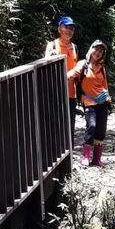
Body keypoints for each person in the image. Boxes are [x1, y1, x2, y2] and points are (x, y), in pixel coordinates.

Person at [69, 40, 111, 167]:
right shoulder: (83, 64)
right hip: (89, 101)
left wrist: (108, 97)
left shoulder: (101, 68)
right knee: (91, 126)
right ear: (91, 49)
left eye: (101, 51)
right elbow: (74, 73)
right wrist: (64, 76)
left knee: (101, 130)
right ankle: (85, 156)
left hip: (103, 102)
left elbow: (104, 85)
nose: (98, 53)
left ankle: (97, 159)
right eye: (96, 50)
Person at [45, 15, 79, 143]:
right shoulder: (52, 45)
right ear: (60, 29)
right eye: (66, 27)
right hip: (56, 92)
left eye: (72, 28)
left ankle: (69, 155)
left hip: (71, 93)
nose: (69, 30)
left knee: (70, 124)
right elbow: (45, 64)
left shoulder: (75, 47)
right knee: (56, 124)